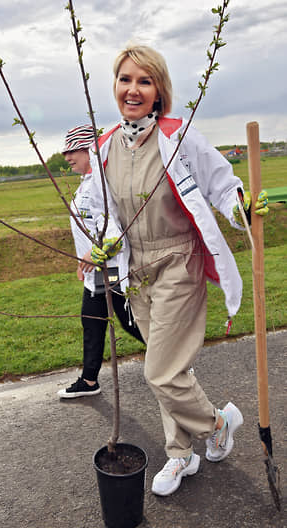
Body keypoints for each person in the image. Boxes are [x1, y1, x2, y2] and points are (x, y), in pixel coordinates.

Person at [83, 44, 269, 496]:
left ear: (159, 90)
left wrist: (243, 207)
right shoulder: (106, 145)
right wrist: (101, 242)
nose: (133, 89)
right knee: (167, 369)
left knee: (159, 372)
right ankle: (180, 455)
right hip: (136, 271)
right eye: (125, 80)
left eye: (144, 81)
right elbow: (97, 206)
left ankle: (218, 424)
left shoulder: (178, 135)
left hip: (178, 264)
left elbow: (222, 184)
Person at [57, 124, 144, 399]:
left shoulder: (104, 183)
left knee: (131, 324)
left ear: (89, 150)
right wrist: (82, 260)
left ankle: (175, 365)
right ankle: (90, 380)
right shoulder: (86, 183)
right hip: (95, 270)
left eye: (72, 151)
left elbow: (112, 227)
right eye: (66, 152)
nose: (67, 158)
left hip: (114, 268)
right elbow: (87, 227)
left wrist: (97, 252)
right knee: (91, 321)